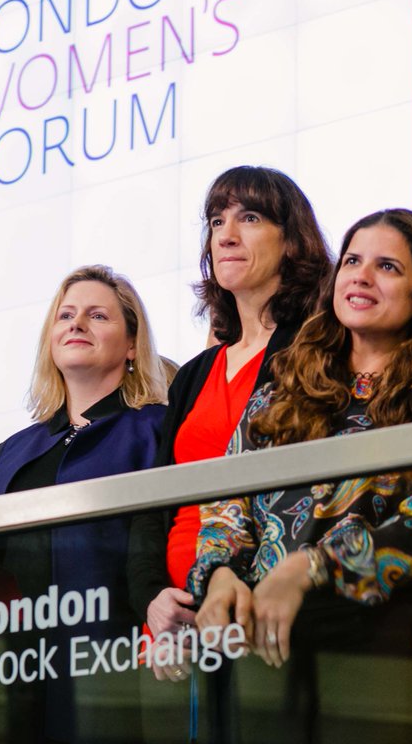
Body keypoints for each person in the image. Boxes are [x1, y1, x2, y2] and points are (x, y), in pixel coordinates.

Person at [192, 210, 412, 653]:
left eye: (387, 266)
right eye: (351, 261)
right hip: (258, 647)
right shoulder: (283, 388)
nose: (361, 277)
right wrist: (221, 573)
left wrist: (311, 568)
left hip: (377, 649)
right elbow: (226, 502)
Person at [127, 167, 332, 652]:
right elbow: (152, 505)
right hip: (169, 620)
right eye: (216, 222)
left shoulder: (317, 353)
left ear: (291, 242)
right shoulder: (196, 372)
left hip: (256, 606)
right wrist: (151, 598)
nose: (227, 236)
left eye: (251, 217)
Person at [0, 266, 168, 742]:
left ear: (131, 345)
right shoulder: (12, 450)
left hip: (106, 662)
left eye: (97, 315)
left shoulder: (155, 429)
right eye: (66, 315)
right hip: (2, 666)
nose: (76, 324)